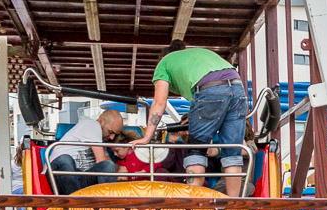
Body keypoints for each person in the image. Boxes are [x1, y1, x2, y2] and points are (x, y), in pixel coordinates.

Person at [135, 40, 247, 196]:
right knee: (232, 152)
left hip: (210, 88)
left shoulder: (164, 64)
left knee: (195, 150)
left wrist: (147, 136)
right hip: (238, 86)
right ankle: (234, 209)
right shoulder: (197, 55)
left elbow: (159, 102)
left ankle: (195, 206)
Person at [49, 108, 124, 194]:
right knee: (65, 160)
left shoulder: (100, 140)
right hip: (57, 173)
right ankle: (76, 204)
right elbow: (101, 159)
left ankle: (107, 204)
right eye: (110, 132)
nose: (112, 137)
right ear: (101, 121)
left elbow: (107, 164)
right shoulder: (92, 125)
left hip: (80, 179)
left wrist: (121, 168)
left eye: (115, 134)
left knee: (108, 165)